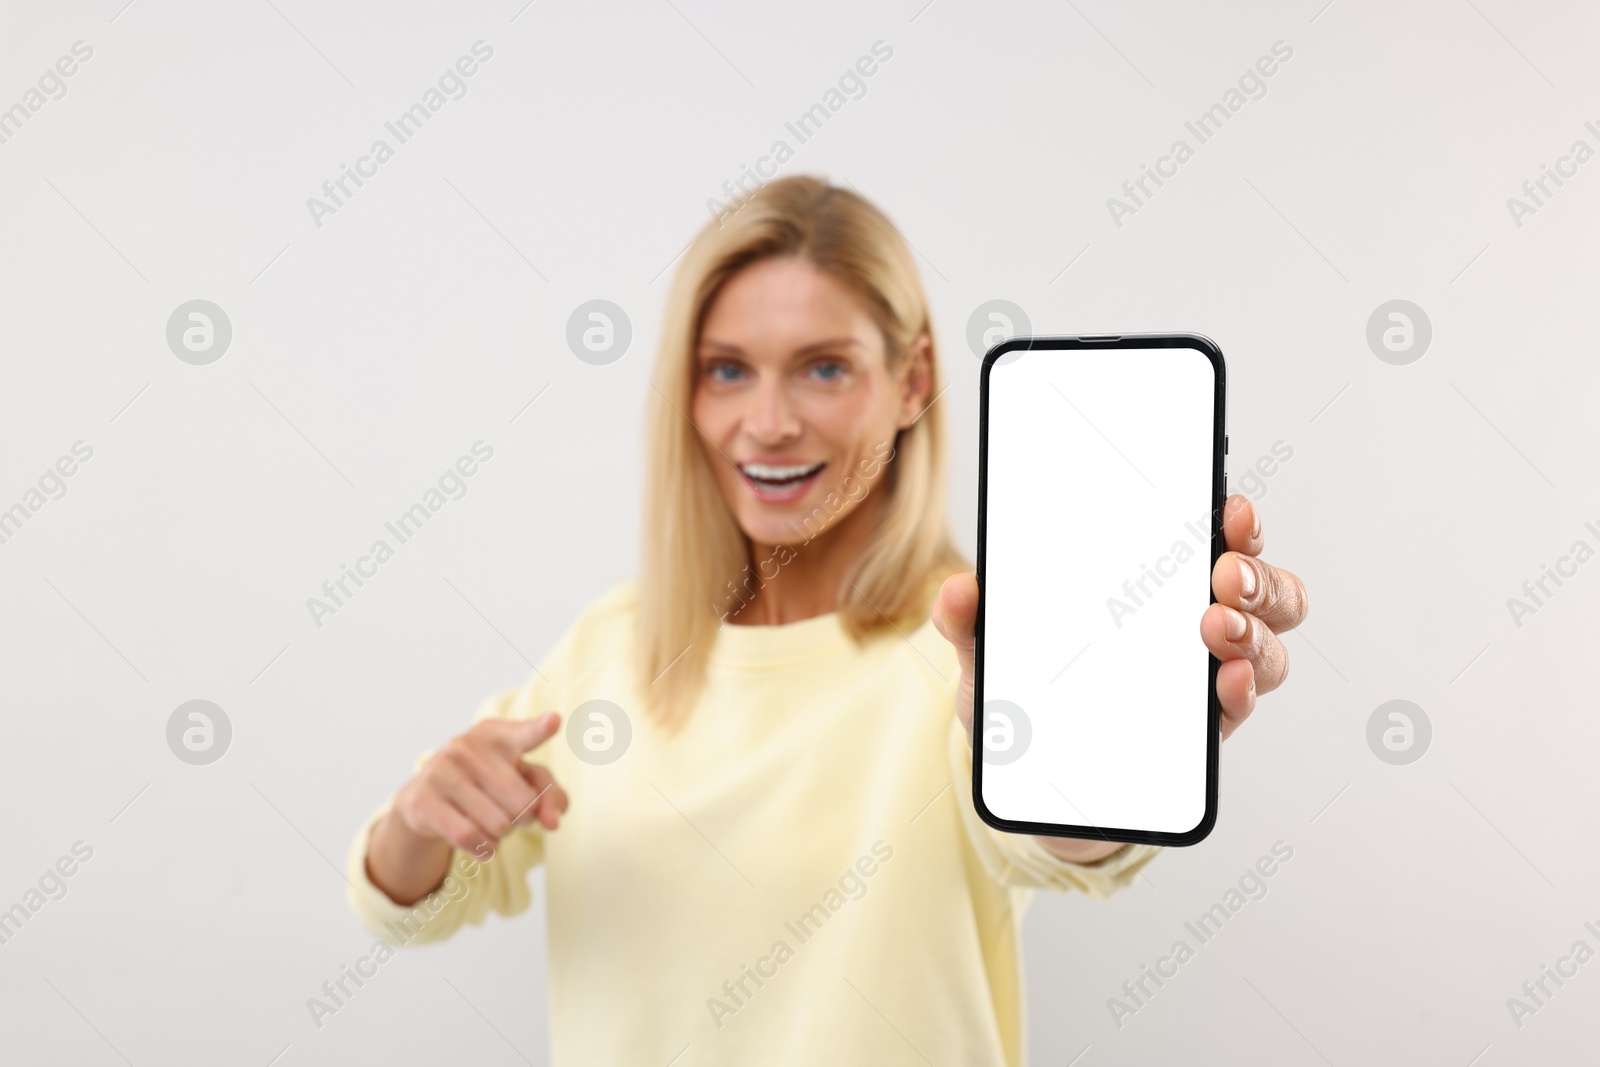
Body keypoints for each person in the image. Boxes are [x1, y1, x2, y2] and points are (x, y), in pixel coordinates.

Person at [344, 175, 1309, 1065]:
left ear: (913, 379)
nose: (766, 422)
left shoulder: (974, 638)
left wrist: (1094, 752)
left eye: (822, 370)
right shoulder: (612, 642)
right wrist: (420, 815)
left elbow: (1068, 850)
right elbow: (413, 908)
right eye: (727, 371)